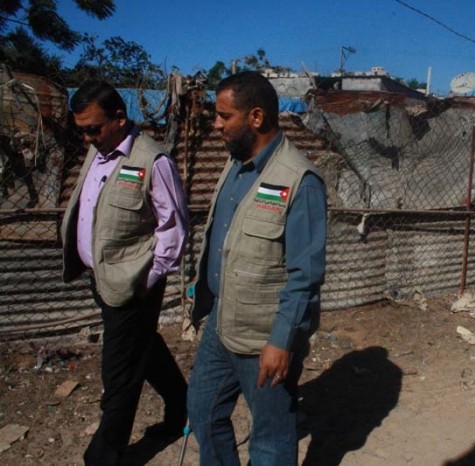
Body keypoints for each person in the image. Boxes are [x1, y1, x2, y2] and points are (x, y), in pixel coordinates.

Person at [187, 72, 327, 465]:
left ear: (256, 117)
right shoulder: (235, 165)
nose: (216, 124)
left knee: (270, 436)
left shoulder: (300, 181)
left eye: (224, 116)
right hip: (222, 321)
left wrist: (281, 342)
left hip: (266, 335)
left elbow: (306, 275)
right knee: (202, 409)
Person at [60, 81, 189, 465]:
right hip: (101, 279)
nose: (86, 138)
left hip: (134, 284)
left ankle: (104, 455)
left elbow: (174, 230)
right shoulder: (98, 150)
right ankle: (183, 405)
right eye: (81, 130)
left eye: (93, 129)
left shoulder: (154, 161)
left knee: (119, 374)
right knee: (141, 347)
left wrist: (144, 280)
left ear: (119, 118)